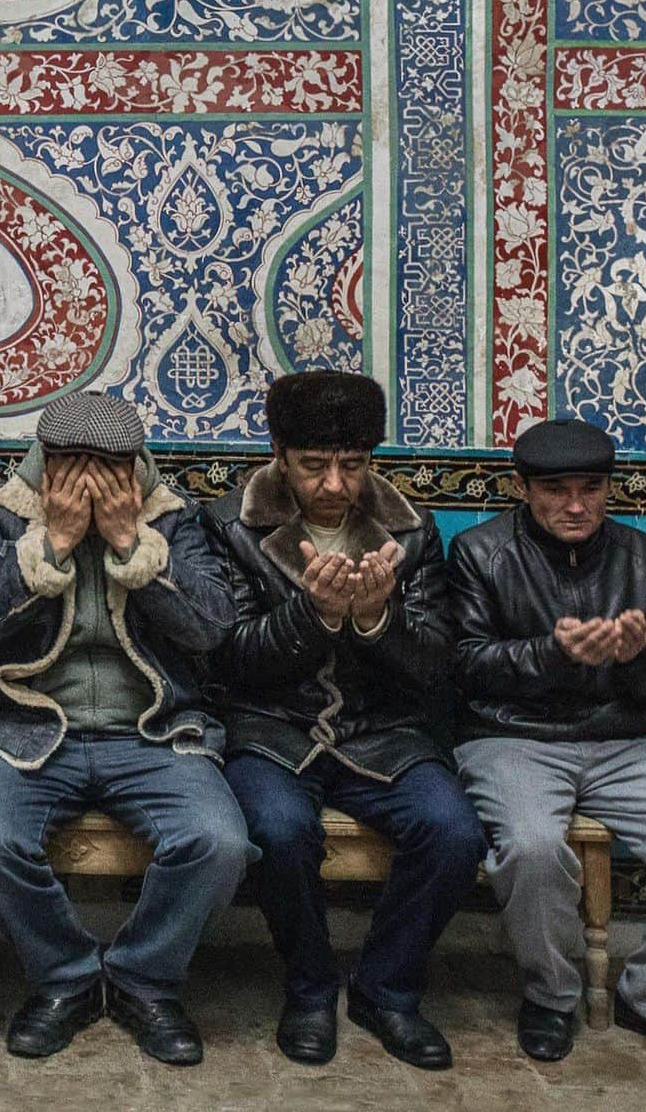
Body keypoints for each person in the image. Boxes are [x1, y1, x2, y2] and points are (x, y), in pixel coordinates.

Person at [448, 417, 646, 1073]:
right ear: (522, 488)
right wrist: (554, 653)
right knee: (532, 849)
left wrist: (638, 655)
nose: (576, 505)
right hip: (512, 738)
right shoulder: (480, 553)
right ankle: (553, 997)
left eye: (592, 487)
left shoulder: (644, 558)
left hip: (620, 743)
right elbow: (465, 665)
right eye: (557, 489)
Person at [206, 371, 485, 1071]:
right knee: (278, 829)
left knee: (454, 832)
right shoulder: (227, 525)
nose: (335, 484)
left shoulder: (412, 534)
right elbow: (231, 659)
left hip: (381, 734)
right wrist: (314, 615)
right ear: (278, 453)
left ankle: (386, 989)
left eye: (353, 465)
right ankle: (308, 989)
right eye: (313, 466)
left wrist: (376, 620)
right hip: (270, 727)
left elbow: (433, 667)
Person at [0, 390, 253, 1066]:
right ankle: (67, 981)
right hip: (29, 729)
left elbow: (213, 627)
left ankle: (143, 980)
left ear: (136, 468)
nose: (91, 487)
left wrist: (136, 547)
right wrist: (50, 547)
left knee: (218, 842)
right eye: (72, 467)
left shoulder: (178, 518)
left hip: (156, 734)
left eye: (109, 469)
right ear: (45, 463)